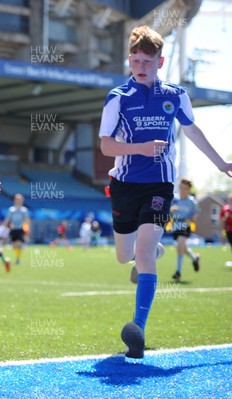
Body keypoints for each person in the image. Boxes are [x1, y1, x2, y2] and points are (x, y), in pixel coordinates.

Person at [99, 26, 232, 359]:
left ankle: (138, 330)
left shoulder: (176, 94)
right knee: (123, 255)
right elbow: (106, 146)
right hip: (124, 186)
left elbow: (192, 128)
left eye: (148, 60)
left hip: (159, 187)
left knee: (142, 252)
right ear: (129, 60)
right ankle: (154, 252)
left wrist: (220, 162)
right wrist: (142, 148)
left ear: (160, 61)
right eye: (135, 59)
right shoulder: (118, 98)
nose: (141, 65)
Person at [169, 178, 200, 281]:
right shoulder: (175, 198)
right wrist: (171, 210)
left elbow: (196, 212)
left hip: (186, 225)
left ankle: (178, 272)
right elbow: (168, 210)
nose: (183, 190)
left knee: (180, 247)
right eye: (181, 188)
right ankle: (195, 258)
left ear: (189, 189)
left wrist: (193, 221)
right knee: (183, 248)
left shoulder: (191, 201)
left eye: (185, 188)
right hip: (175, 226)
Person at [2, 193, 30, 265]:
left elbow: (27, 220)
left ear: (22, 201)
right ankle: (18, 254)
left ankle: (18, 259)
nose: (18, 201)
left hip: (20, 229)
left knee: (18, 243)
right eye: (17, 200)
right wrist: (4, 227)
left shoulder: (24, 210)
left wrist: (28, 229)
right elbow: (7, 219)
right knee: (15, 246)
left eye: (20, 200)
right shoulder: (11, 210)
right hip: (13, 229)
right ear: (14, 201)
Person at [221, 194, 232, 265]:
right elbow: (222, 220)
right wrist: (226, 217)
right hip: (229, 230)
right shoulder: (225, 209)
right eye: (230, 200)